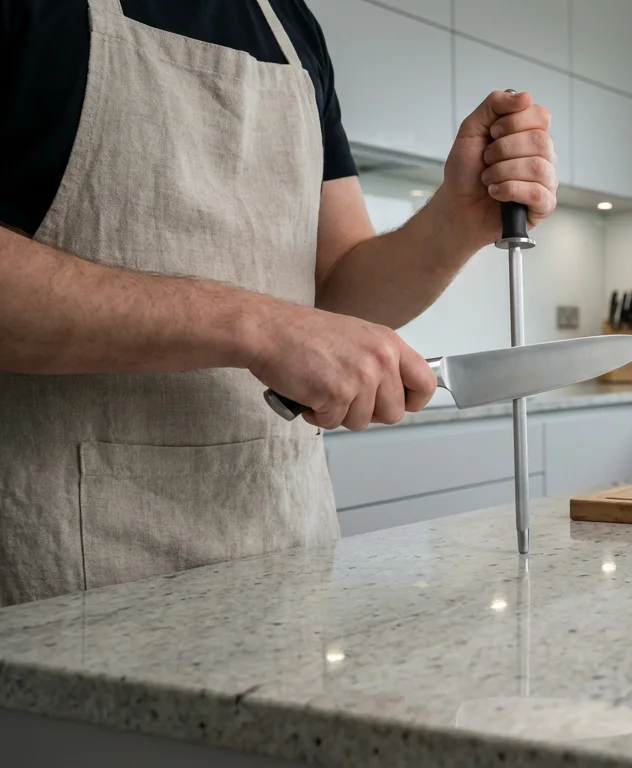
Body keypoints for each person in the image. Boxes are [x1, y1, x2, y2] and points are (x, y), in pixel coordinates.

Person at [0, 0, 559, 606]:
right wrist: (255, 324)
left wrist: (458, 219)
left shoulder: (290, 23)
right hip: (67, 567)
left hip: (284, 548)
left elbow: (339, 295)